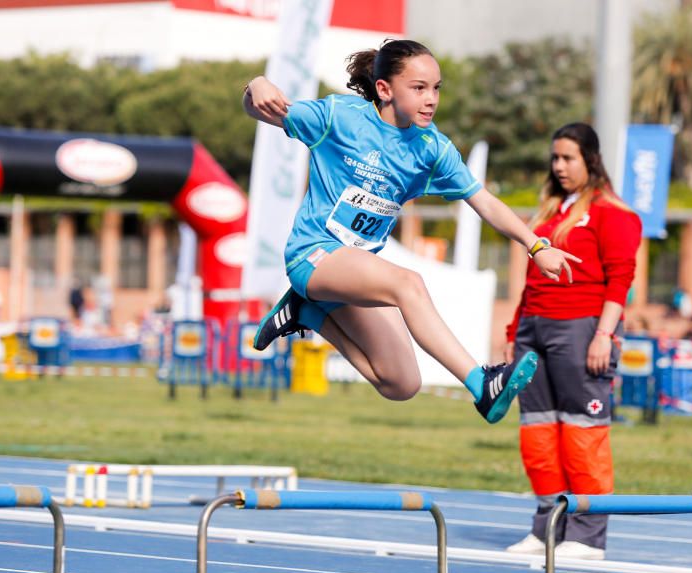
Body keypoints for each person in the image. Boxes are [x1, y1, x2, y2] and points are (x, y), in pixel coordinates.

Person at [244, 40, 578, 423]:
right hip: (312, 254)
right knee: (410, 284)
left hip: (355, 270)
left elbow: (484, 202)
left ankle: (306, 313)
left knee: (400, 384)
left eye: (436, 88)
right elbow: (257, 107)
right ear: (384, 89)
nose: (431, 99)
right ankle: (481, 384)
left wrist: (536, 246)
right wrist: (256, 84)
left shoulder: (432, 149)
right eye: (418, 88)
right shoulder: (339, 117)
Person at [502, 123, 641, 560]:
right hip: (534, 328)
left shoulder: (611, 212)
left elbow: (621, 281)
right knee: (538, 433)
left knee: (582, 433)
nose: (559, 166)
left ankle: (585, 535)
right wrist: (513, 333)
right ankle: (547, 528)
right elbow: (531, 280)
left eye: (568, 158)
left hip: (581, 328)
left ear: (590, 161)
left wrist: (604, 334)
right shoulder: (550, 211)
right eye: (555, 158)